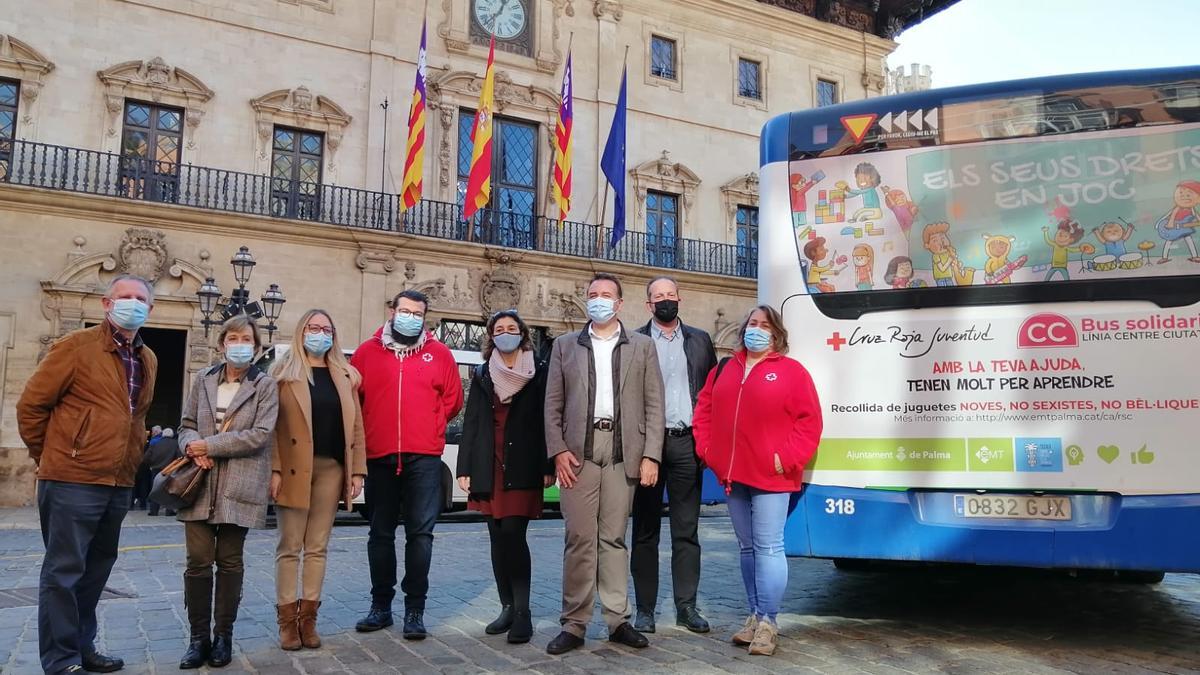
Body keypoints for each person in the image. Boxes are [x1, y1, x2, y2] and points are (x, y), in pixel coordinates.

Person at [17, 274, 158, 675]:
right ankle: (61, 661)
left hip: (118, 481)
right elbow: (31, 406)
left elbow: (137, 417)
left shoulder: (147, 358)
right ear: (105, 303)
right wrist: (52, 456)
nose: (132, 304)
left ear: (150, 309)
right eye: (124, 297)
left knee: (96, 570)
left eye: (140, 299)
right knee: (63, 572)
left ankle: (82, 646)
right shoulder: (74, 348)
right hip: (70, 479)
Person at [543, 272, 665, 655]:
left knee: (614, 539)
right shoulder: (565, 345)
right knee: (579, 539)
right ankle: (575, 623)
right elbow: (552, 405)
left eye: (606, 295)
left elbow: (654, 405)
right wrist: (558, 450)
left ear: (619, 303)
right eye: (592, 294)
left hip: (622, 452)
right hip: (578, 455)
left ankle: (617, 619)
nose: (599, 300)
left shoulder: (642, 346)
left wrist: (651, 455)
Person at [692, 304, 823, 657]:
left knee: (768, 547)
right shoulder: (725, 369)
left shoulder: (792, 372)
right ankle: (754, 615)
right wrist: (708, 449)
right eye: (752, 323)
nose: (757, 329)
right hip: (733, 475)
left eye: (765, 325)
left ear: (776, 334)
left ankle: (769, 621)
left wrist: (785, 459)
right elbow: (703, 410)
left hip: (772, 475)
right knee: (748, 549)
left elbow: (809, 422)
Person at [351, 289, 464, 639]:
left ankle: (415, 609)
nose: (410, 317)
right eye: (405, 311)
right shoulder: (366, 353)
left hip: (424, 458)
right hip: (380, 456)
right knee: (380, 533)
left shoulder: (440, 354)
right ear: (392, 311)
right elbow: (355, 401)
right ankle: (380, 606)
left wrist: (427, 425)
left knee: (421, 535)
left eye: (417, 313)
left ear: (424, 317)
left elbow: (454, 399)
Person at [176, 315, 279, 669]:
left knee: (230, 560)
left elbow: (260, 434)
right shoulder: (203, 380)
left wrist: (209, 446)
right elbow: (186, 425)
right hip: (198, 483)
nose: (239, 344)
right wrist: (192, 447)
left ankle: (224, 637)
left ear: (256, 345)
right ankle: (197, 638)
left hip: (240, 482)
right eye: (233, 338)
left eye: (246, 338)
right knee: (198, 562)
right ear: (222, 343)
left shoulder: (265, 385)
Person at [270, 310, 366, 651]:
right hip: (295, 468)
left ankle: (308, 619)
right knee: (289, 547)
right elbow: (273, 428)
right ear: (302, 332)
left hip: (331, 468)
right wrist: (275, 469)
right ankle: (286, 623)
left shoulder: (346, 375)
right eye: (313, 328)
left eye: (326, 329)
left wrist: (357, 470)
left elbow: (356, 427)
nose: (319, 334)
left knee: (317, 547)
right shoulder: (282, 374)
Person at [456, 310, 553, 644]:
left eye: (512, 328)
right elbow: (472, 420)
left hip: (523, 463)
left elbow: (547, 419)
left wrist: (548, 465)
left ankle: (523, 612)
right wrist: (464, 467)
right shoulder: (483, 373)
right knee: (497, 537)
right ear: (491, 336)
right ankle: (507, 607)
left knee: (513, 533)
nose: (506, 333)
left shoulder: (539, 371)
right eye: (499, 329)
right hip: (488, 462)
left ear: (523, 334)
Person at [630, 276, 717, 634]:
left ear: (679, 299)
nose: (665, 300)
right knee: (645, 531)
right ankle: (645, 610)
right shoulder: (634, 341)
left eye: (670, 295)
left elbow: (711, 392)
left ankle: (686, 606)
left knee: (687, 530)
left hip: (686, 443)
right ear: (649, 304)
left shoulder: (700, 340)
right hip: (647, 445)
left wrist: (707, 441)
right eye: (658, 296)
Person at [146, 428, 181, 516]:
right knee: (169, 490)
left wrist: (151, 464)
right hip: (170, 470)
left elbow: (146, 457)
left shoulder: (155, 443)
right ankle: (169, 511)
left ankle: (153, 511)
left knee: (155, 489)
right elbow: (179, 457)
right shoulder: (175, 444)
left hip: (156, 470)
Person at [132, 426, 162, 510]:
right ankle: (143, 504)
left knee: (133, 486)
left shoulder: (134, 443)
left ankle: (131, 504)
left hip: (136, 465)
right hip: (145, 467)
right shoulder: (150, 443)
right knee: (144, 486)